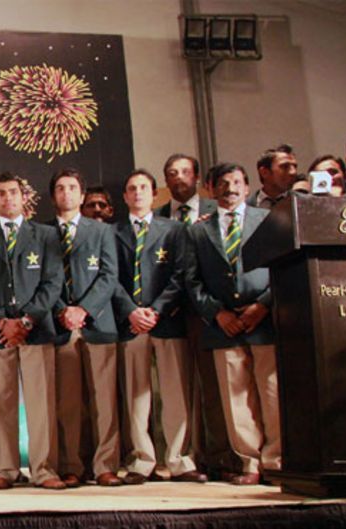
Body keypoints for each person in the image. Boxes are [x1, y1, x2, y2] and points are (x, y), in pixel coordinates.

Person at [0, 173, 65, 491]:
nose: (8, 199)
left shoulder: (47, 235)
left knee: (41, 402)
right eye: (2, 194)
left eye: (14, 193)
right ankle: (3, 469)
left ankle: (44, 469)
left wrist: (25, 321)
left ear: (24, 198)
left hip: (35, 329)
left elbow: (52, 283)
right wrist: (1, 321)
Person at [184, 162, 280, 485]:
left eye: (237, 182)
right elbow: (192, 281)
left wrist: (263, 305)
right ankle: (250, 463)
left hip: (262, 320)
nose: (230, 188)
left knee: (270, 392)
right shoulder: (198, 230)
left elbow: (282, 269)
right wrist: (217, 313)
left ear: (248, 187)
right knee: (236, 401)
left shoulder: (267, 221)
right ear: (210, 190)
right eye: (223, 183)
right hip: (222, 326)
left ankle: (276, 460)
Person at [111, 170, 206, 484]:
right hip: (131, 326)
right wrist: (131, 311)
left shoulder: (176, 230)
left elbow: (182, 274)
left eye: (143, 188)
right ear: (124, 197)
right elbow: (110, 279)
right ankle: (142, 460)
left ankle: (179, 459)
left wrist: (156, 310)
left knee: (175, 392)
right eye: (131, 188)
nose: (137, 192)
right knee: (137, 398)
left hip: (167, 322)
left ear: (154, 194)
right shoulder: (113, 232)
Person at [156, 153, 234, 480]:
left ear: (200, 179)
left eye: (185, 172)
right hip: (172, 315)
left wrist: (214, 308)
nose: (179, 178)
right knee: (176, 392)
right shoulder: (157, 216)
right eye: (172, 173)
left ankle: (220, 457)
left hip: (213, 313)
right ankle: (181, 458)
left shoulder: (219, 212)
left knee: (215, 389)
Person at [46, 168, 120, 488]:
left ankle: (105, 465)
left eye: (72, 187)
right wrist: (63, 309)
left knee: (104, 401)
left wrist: (84, 309)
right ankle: (71, 464)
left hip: (97, 322)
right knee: (68, 403)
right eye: (60, 188)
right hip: (60, 325)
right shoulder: (42, 232)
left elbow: (109, 275)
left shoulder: (101, 232)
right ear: (53, 196)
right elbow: (42, 280)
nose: (66, 193)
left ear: (82, 193)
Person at [247, 145, 298, 209]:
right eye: (285, 167)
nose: (293, 172)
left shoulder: (305, 204)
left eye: (295, 167)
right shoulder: (244, 208)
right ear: (264, 172)